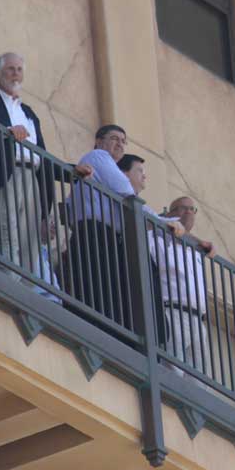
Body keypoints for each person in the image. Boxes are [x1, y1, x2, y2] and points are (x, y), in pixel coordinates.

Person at [0, 52, 92, 278]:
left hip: (31, 178)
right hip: (4, 174)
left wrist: (70, 171)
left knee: (30, 241)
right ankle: (9, 286)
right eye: (10, 69)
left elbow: (42, 156)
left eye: (19, 69)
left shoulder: (29, 114)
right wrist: (7, 132)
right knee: (5, 233)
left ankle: (25, 292)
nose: (15, 74)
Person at [66, 127, 181, 331]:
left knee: (100, 291)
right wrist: (164, 223)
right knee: (100, 289)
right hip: (97, 234)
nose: (120, 144)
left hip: (96, 234)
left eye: (123, 141)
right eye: (114, 139)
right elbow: (128, 196)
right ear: (99, 141)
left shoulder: (98, 166)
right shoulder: (98, 156)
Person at [149, 195, 215, 378]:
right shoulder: (156, 240)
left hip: (198, 320)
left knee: (199, 381)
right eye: (182, 208)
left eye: (192, 209)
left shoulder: (194, 249)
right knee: (171, 372)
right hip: (174, 313)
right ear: (170, 214)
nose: (188, 212)